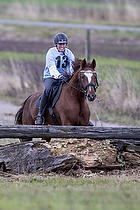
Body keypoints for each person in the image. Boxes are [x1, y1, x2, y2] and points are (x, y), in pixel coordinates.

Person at [35, 32, 75, 125]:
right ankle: (40, 114)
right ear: (56, 44)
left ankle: (81, 116)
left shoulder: (69, 53)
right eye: (60, 44)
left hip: (65, 77)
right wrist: (58, 76)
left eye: (64, 44)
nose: (62, 46)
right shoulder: (51, 52)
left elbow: (72, 66)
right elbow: (52, 67)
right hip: (51, 77)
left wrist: (70, 75)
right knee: (48, 90)